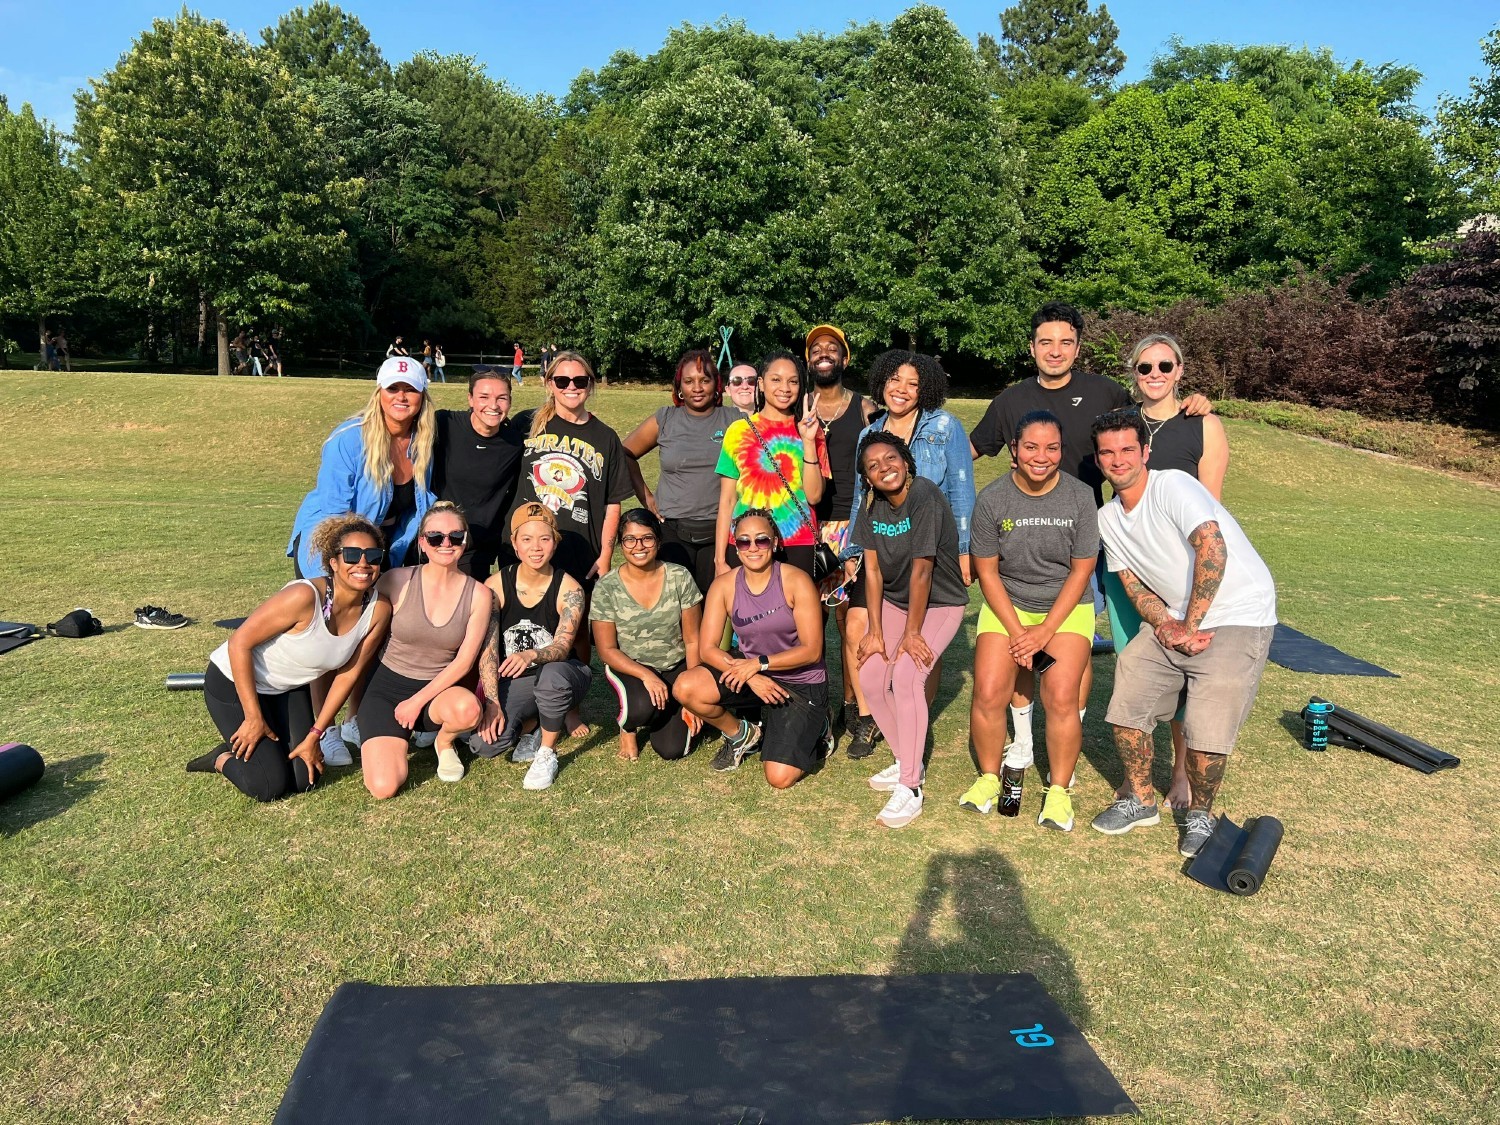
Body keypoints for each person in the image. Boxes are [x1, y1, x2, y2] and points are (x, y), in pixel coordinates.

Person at [969, 302, 1211, 775]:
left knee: (1073, 649)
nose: (1054, 351)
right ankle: (1022, 740)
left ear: (1078, 347)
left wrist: (1191, 404)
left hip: (1097, 537)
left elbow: (1148, 422)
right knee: (1023, 649)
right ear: (1032, 347)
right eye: (1045, 341)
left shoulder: (1105, 393)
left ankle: (1068, 731)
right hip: (1029, 540)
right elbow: (969, 453)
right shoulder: (1011, 400)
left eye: (1065, 342)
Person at [1088, 410, 1276, 858]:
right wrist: (1167, 625)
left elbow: (1211, 544)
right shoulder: (1108, 519)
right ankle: (1140, 798)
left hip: (1239, 614)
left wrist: (1190, 625)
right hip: (1177, 619)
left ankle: (1200, 813)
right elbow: (1132, 582)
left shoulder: (1172, 484)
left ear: (1145, 452)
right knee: (1127, 697)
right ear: (1098, 460)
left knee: (1206, 728)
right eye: (1108, 452)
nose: (1118, 460)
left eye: (1128, 449)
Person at [1107, 333, 1231, 807]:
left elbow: (1211, 508)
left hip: (1180, 572)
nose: (1154, 375)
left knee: (1184, 669)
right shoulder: (1121, 423)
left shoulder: (1204, 424)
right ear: (1133, 374)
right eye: (1145, 368)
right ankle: (1134, 774)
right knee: (1132, 667)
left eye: (1164, 366)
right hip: (1127, 567)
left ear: (1180, 371)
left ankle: (1179, 772)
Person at [186, 515, 391, 801]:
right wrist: (253, 718)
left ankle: (274, 747)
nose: (363, 564)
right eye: (352, 555)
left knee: (305, 779)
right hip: (234, 681)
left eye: (373, 556)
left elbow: (349, 674)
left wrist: (315, 734)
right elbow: (238, 644)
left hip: (287, 689)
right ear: (333, 562)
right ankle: (221, 758)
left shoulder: (378, 609)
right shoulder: (304, 596)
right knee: (268, 785)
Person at [960, 411, 1099, 833]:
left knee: (1060, 695)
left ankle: (1058, 791)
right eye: (1032, 447)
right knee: (987, 691)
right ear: (1014, 452)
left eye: (1052, 447)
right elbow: (986, 571)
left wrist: (1044, 631)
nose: (1042, 456)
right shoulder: (993, 498)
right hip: (1009, 604)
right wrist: (1019, 632)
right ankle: (988, 777)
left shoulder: (1079, 497)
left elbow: (1081, 571)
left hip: (1066, 607)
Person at [839, 348, 975, 758]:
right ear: (881, 383)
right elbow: (861, 496)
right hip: (883, 549)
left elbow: (962, 489)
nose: (902, 389)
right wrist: (852, 547)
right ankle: (871, 717)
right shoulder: (869, 433)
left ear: (926, 390)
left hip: (931, 550)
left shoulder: (945, 427)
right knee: (856, 627)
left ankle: (914, 713)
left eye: (914, 383)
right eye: (895, 380)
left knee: (920, 653)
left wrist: (964, 550)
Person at [850, 432, 969, 829]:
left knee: (905, 675)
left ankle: (911, 787)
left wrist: (912, 633)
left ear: (905, 460)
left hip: (940, 603)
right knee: (869, 676)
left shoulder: (925, 496)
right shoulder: (871, 507)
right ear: (867, 478)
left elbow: (923, 570)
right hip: (896, 603)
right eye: (873, 465)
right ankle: (906, 760)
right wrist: (875, 630)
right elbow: (871, 570)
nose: (884, 468)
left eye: (890, 458)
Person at [675, 509, 829, 787]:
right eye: (744, 542)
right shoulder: (724, 585)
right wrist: (753, 675)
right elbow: (708, 648)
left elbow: (812, 651)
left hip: (799, 680)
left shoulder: (796, 580)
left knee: (779, 778)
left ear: (776, 543)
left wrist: (759, 665)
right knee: (686, 687)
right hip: (752, 672)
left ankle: (819, 725)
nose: (753, 548)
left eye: (762, 540)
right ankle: (742, 735)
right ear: (735, 545)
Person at [353, 502, 492, 797]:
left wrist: (417, 702)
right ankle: (388, 738)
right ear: (422, 543)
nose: (446, 543)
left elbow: (464, 662)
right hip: (386, 690)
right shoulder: (397, 580)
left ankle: (443, 741)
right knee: (384, 786)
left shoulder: (479, 594)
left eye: (455, 536)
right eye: (435, 537)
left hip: (435, 692)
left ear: (464, 541)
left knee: (468, 710)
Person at [472, 502, 592, 791]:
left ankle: (546, 753)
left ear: (555, 542)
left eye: (544, 538)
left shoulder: (570, 589)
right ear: (514, 544)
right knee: (484, 745)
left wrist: (531, 654)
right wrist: (492, 702)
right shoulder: (495, 585)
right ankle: (536, 721)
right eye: (526, 539)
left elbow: (563, 647)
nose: (535, 547)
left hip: (563, 672)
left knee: (551, 677)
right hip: (517, 679)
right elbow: (487, 648)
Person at [287, 355, 436, 580]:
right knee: (333, 613)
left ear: (422, 396)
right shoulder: (348, 439)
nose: (401, 397)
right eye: (393, 388)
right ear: (379, 393)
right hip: (331, 546)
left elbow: (416, 509)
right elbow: (333, 515)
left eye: (411, 389)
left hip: (380, 548)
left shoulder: (423, 444)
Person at [623, 349, 741, 593]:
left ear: (716, 385)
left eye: (704, 380)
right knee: (675, 609)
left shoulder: (733, 420)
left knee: (714, 610)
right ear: (679, 387)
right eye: (689, 382)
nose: (697, 388)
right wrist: (646, 496)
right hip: (672, 531)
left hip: (719, 532)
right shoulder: (665, 419)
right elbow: (624, 453)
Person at [591, 509, 705, 761]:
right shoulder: (607, 587)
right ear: (621, 544)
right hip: (631, 666)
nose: (638, 546)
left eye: (647, 538)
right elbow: (606, 650)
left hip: (676, 664)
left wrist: (694, 695)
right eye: (630, 539)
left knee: (672, 750)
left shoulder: (679, 576)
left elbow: (693, 639)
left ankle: (665, 705)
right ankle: (628, 727)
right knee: (640, 709)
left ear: (658, 541)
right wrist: (646, 676)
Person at [714, 351, 828, 579]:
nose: (785, 388)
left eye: (793, 381)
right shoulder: (738, 431)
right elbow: (727, 500)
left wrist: (807, 441)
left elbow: (815, 496)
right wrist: (719, 559)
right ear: (761, 384)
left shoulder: (813, 431)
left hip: (798, 540)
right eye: (776, 379)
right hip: (749, 542)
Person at [431, 365, 530, 580]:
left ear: (510, 402)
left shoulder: (514, 443)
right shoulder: (444, 424)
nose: (493, 406)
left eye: (502, 398)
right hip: (433, 539)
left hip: (476, 547)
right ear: (470, 399)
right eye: (483, 397)